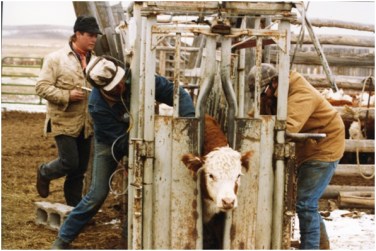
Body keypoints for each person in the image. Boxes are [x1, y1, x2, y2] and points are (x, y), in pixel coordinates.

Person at [51, 56, 195, 249]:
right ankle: (63, 239)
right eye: (114, 86)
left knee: (151, 183)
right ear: (102, 89)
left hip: (142, 133)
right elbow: (120, 142)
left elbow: (177, 93)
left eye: (120, 80)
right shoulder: (97, 105)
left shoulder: (140, 78)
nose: (121, 86)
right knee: (97, 194)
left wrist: (188, 124)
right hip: (110, 142)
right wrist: (139, 153)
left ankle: (138, 237)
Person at [248, 63, 345, 250]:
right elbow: (259, 116)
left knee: (305, 203)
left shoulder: (301, 95)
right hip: (310, 147)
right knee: (307, 201)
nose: (261, 95)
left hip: (324, 147)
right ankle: (322, 245)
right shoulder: (281, 92)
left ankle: (311, 247)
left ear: (274, 83)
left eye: (262, 91)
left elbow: (288, 128)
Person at [35, 16, 102, 207]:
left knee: (79, 169)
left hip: (87, 123)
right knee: (69, 162)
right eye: (90, 35)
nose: (94, 39)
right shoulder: (56, 59)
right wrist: (66, 95)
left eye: (95, 36)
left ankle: (75, 210)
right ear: (77, 34)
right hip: (63, 120)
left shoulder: (96, 62)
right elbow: (41, 87)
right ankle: (44, 172)